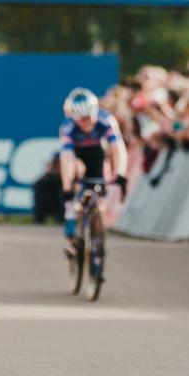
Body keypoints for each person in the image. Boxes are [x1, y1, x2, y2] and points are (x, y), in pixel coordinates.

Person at [58, 87, 129, 255]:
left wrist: (120, 172)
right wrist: (67, 187)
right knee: (74, 170)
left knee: (98, 189)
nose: (87, 122)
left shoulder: (106, 120)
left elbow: (118, 148)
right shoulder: (68, 127)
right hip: (78, 156)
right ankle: (70, 212)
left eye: (89, 118)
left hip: (97, 153)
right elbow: (66, 158)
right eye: (82, 120)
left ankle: (97, 235)